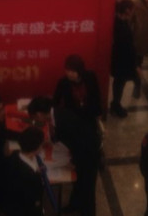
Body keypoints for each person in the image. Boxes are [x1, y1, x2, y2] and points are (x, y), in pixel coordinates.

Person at [53, 55, 102, 216]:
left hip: (88, 122)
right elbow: (56, 101)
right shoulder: (63, 83)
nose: (69, 74)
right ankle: (75, 203)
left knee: (86, 181)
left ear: (80, 70)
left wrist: (98, 115)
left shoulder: (90, 77)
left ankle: (83, 208)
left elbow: (96, 97)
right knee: (79, 176)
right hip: (74, 122)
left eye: (72, 71)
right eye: (67, 70)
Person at [3, 126, 46, 216]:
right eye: (42, 144)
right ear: (36, 147)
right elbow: (34, 202)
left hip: (11, 203)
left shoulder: (14, 154)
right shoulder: (32, 177)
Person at [110, 0, 138, 118]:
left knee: (119, 82)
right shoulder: (119, 25)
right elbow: (127, 46)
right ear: (127, 10)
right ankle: (116, 105)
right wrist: (135, 65)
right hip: (122, 60)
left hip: (121, 59)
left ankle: (115, 103)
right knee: (119, 83)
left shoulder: (120, 21)